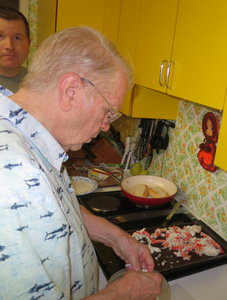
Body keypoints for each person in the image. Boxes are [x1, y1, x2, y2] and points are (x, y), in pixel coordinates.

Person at [0, 26, 162, 299]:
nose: (105, 127)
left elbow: (58, 209)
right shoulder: (17, 176)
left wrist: (117, 239)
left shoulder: (28, 134)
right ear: (71, 90)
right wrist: (125, 293)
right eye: (108, 112)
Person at [0, 6, 31, 92]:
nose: (9, 46)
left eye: (17, 38)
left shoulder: (42, 82)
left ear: (28, 44)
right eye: (0, 36)